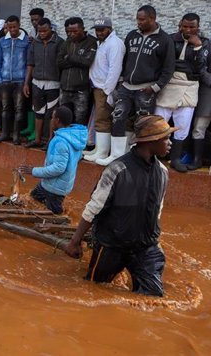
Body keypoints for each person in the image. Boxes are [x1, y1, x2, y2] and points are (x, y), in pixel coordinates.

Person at [64, 115, 174, 297]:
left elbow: (157, 209)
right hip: (112, 245)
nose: (170, 143)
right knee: (94, 290)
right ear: (151, 141)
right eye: (165, 138)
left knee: (153, 296)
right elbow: (94, 208)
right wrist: (75, 242)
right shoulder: (117, 170)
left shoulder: (162, 172)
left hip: (145, 246)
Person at [96, 5, 175, 166]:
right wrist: (120, 81)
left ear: (152, 18)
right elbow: (124, 61)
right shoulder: (132, 35)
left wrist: (155, 88)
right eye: (137, 19)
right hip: (126, 86)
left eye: (142, 19)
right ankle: (117, 155)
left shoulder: (165, 40)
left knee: (142, 123)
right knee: (118, 117)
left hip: (146, 89)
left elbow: (168, 69)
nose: (138, 22)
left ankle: (135, 157)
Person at [153, 13, 209, 172]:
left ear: (198, 27)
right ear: (180, 25)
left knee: (182, 125)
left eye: (192, 27)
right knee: (159, 123)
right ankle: (154, 157)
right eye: (185, 26)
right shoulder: (171, 39)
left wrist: (197, 47)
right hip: (169, 85)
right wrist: (184, 65)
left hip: (189, 87)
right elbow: (165, 63)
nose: (188, 29)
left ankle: (175, 158)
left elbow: (200, 68)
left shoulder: (203, 43)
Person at [18, 106, 87, 214]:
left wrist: (33, 171)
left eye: (52, 117)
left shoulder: (61, 142)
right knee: (31, 199)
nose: (51, 120)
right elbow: (77, 157)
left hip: (55, 189)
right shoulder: (73, 137)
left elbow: (59, 168)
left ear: (57, 120)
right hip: (50, 183)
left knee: (55, 216)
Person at [83, 17, 126, 163]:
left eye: (102, 30)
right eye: (97, 30)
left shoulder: (115, 44)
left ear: (109, 28)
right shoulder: (101, 43)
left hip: (105, 88)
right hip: (97, 87)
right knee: (99, 119)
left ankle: (102, 152)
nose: (99, 33)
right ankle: (99, 149)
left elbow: (115, 69)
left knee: (103, 119)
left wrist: (108, 91)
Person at [23, 18, 64, 148]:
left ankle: (50, 141)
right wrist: (26, 83)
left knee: (52, 114)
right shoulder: (35, 43)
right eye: (39, 31)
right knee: (38, 112)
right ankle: (37, 139)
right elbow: (30, 64)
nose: (42, 33)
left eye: (44, 30)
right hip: (36, 83)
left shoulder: (59, 43)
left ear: (51, 29)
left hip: (54, 84)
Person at [0, 15, 30, 144]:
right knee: (5, 108)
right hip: (4, 81)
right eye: (10, 27)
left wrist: (26, 81)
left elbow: (29, 63)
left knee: (19, 108)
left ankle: (16, 135)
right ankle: (5, 133)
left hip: (20, 81)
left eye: (14, 26)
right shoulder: (2, 42)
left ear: (19, 24)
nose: (12, 29)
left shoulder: (26, 41)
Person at [57, 17, 97, 125]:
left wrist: (69, 57)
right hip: (64, 88)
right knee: (63, 118)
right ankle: (65, 140)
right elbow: (59, 62)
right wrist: (76, 60)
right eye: (68, 32)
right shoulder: (67, 42)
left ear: (82, 29)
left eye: (75, 31)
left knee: (80, 118)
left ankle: (77, 141)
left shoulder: (91, 42)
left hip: (81, 90)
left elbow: (87, 62)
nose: (71, 34)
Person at [190, 22, 211, 170]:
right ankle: (197, 159)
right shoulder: (208, 44)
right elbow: (200, 67)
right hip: (208, 91)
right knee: (199, 127)